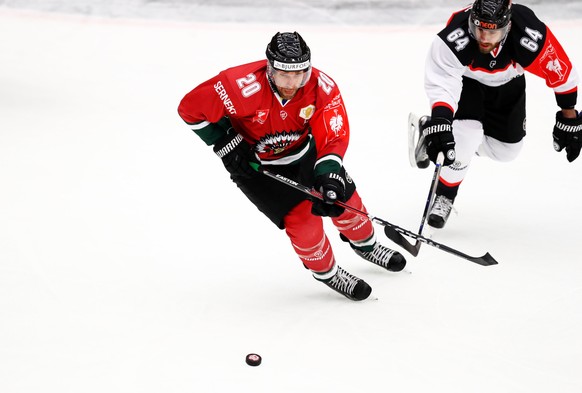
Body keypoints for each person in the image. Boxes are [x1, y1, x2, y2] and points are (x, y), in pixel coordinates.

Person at [177, 32, 406, 301]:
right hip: (256, 168)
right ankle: (329, 273)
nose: (292, 83)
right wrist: (225, 142)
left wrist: (328, 174)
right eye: (284, 75)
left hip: (303, 154)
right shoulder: (236, 85)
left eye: (299, 74)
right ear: (269, 68)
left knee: (345, 201)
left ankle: (367, 245)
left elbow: (333, 135)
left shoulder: (322, 87)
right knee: (304, 223)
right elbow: (189, 109)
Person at [414, 0, 581, 229]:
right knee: (467, 135)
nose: (483, 37)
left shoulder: (528, 34)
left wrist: (569, 117)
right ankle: (445, 194)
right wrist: (441, 121)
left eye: (492, 32)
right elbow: (442, 83)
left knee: (506, 151)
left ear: (508, 26)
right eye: (479, 28)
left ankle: (454, 144)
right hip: (468, 84)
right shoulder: (455, 35)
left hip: (508, 86)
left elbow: (561, 72)